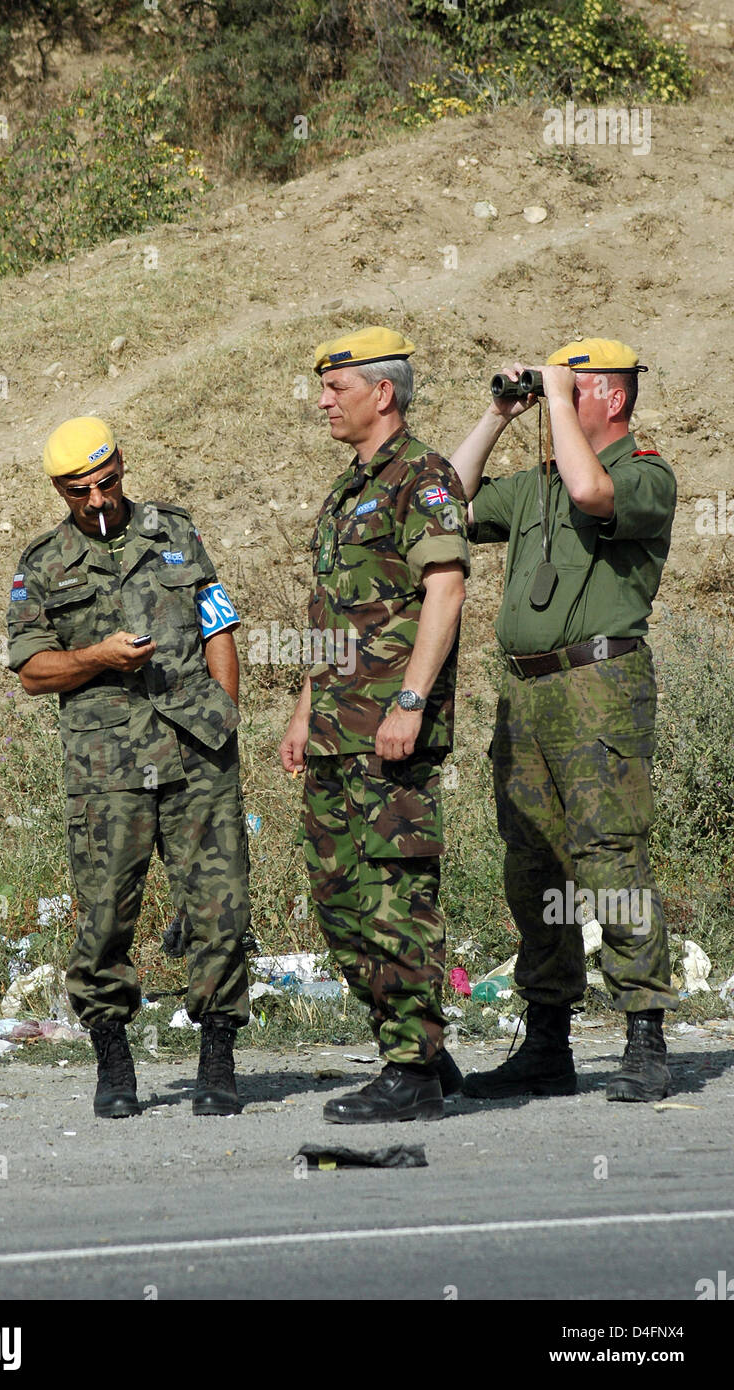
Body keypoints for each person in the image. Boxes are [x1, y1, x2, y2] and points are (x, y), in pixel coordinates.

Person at [448, 338, 677, 1102]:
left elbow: (592, 493)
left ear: (611, 397)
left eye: (574, 391)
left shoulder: (644, 474)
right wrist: (497, 414)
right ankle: (548, 1041)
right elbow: (447, 498)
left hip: (599, 684)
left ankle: (644, 1026)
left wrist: (555, 399)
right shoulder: (538, 482)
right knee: (533, 865)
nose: (559, 404)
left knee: (607, 856)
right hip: (527, 694)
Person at [7, 417, 251, 1119]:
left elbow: (218, 627)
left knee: (220, 907)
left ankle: (218, 1057)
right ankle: (113, 1057)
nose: (99, 498)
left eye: (107, 481)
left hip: (197, 751)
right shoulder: (44, 564)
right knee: (106, 915)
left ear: (122, 467)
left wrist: (224, 716)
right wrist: (98, 660)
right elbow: (32, 670)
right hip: (107, 765)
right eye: (80, 490)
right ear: (59, 490)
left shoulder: (174, 532)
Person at [280, 327, 469, 1123]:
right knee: (339, 900)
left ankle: (413, 1068)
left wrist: (411, 702)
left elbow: (446, 590)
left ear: (382, 393)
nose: (323, 401)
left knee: (394, 893)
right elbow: (331, 616)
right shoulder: (344, 489)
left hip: (389, 731)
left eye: (337, 387)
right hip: (333, 731)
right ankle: (417, 1042)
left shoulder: (420, 478)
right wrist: (300, 711)